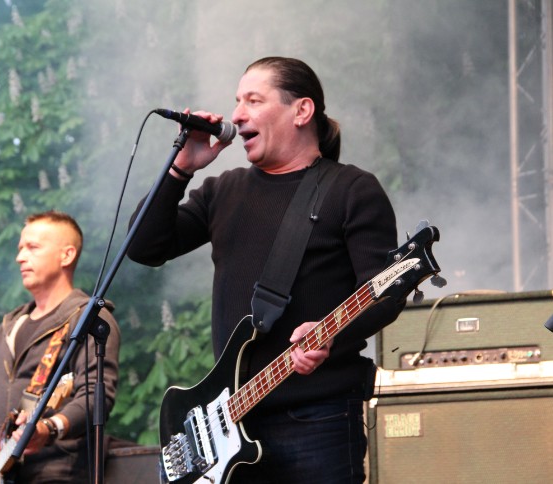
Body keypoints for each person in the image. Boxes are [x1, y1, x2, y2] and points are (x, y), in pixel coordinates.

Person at [127, 56, 405, 483]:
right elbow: (144, 247)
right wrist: (180, 169)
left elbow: (385, 290)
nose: (237, 115)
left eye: (253, 101)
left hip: (317, 420)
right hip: (232, 426)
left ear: (302, 110)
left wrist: (332, 335)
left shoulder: (351, 189)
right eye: (237, 101)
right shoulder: (223, 190)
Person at [0, 210, 121, 484]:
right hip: (3, 474)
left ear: (66, 255)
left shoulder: (89, 318)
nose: (20, 257)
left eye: (32, 247)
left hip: (59, 472)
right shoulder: (10, 326)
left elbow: (96, 396)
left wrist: (48, 428)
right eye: (20, 248)